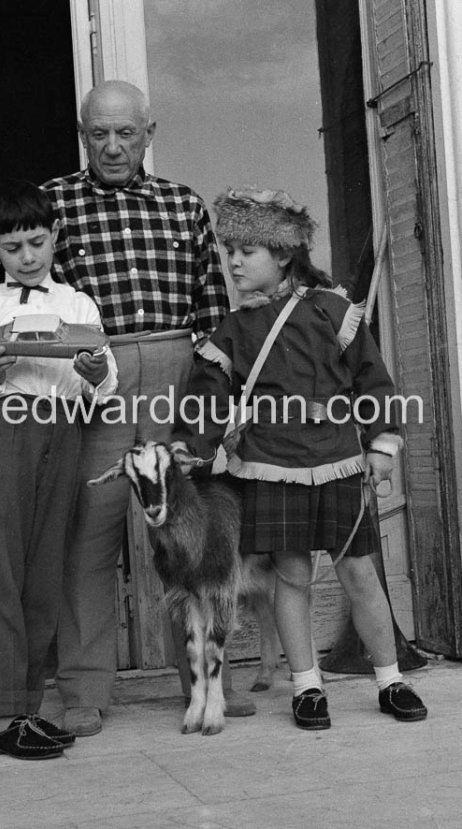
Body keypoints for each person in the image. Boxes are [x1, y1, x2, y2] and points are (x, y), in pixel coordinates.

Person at [0, 81, 256, 736]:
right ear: (83, 135)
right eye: (99, 133)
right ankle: (83, 689)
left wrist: (215, 399)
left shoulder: (182, 204)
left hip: (174, 367)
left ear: (148, 134)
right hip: (95, 378)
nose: (113, 146)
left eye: (126, 133)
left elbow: (210, 310)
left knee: (188, 527)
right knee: (87, 532)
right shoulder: (53, 202)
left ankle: (204, 681)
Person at [173, 185, 428, 730]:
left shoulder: (332, 310)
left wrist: (381, 444)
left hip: (338, 459)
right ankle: (307, 687)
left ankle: (391, 680)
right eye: (229, 250)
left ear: (284, 254)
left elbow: (372, 381)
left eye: (247, 251)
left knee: (359, 571)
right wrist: (191, 447)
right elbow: (206, 397)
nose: (233, 262)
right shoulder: (234, 329)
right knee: (291, 576)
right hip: (271, 465)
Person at [0, 180, 118, 758]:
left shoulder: (78, 304)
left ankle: (26, 710)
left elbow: (105, 380)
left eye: (37, 242)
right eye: (13, 248)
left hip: (62, 432)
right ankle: (1, 719)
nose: (29, 256)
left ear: (55, 235)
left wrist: (95, 374)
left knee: (42, 579)